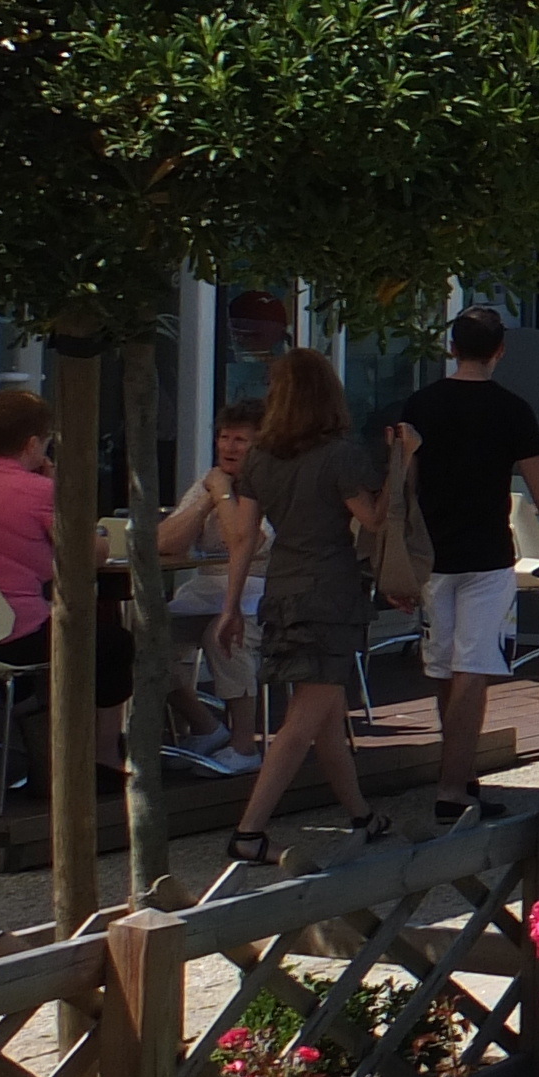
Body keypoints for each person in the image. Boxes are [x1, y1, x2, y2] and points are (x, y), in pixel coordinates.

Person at [390, 308, 539, 827]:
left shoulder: (420, 404)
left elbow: (404, 485)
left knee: (445, 666)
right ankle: (452, 787)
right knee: (473, 667)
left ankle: (461, 775)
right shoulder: (512, 410)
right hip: (487, 551)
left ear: (451, 347)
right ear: (500, 351)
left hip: (432, 553)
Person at [211, 348, 393, 865]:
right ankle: (249, 831)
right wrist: (403, 464)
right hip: (329, 593)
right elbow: (374, 519)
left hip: (281, 589)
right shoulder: (340, 454)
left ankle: (361, 814)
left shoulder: (262, 459)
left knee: (327, 717)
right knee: (302, 721)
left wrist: (231, 606)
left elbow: (243, 538)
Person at [0, 386, 136, 774]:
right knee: (114, 644)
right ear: (33, 444)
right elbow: (89, 555)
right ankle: (103, 757)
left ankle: (32, 729)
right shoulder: (39, 490)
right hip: (11, 635)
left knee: (59, 634)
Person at [155, 405, 270, 766]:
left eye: (240, 440)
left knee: (221, 634)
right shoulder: (211, 481)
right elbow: (165, 543)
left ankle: (244, 746)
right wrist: (207, 497)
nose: (229, 447)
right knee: (145, 638)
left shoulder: (270, 484)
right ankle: (205, 727)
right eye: (224, 437)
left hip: (258, 595)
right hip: (203, 592)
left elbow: (247, 542)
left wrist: (222, 495)